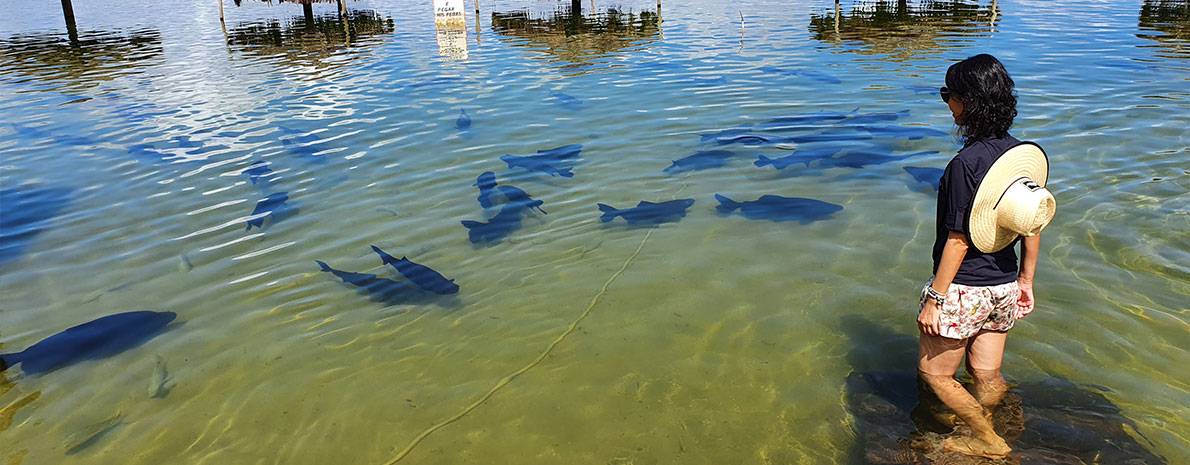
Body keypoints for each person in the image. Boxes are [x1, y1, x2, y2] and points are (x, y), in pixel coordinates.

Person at [917, 53, 1056, 459]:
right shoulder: (1020, 158)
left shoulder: (965, 164)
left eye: (949, 95)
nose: (947, 104)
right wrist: (1026, 282)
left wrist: (935, 298)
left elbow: (957, 241)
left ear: (969, 102)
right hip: (1003, 286)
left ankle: (985, 436)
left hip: (964, 289)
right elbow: (1033, 222)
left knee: (934, 373)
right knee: (987, 373)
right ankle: (989, 422)